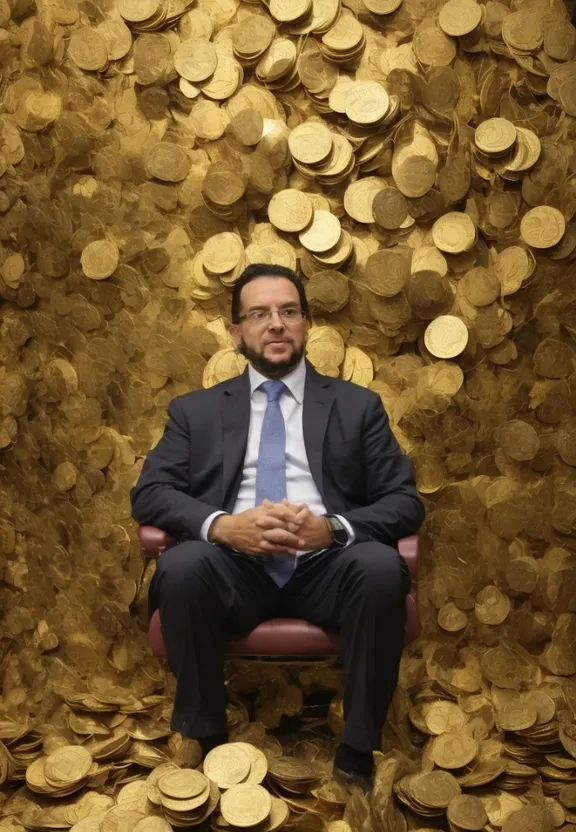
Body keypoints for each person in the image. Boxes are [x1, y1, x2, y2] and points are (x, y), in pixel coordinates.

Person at [130, 263, 424, 789]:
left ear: (307, 323)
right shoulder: (193, 413)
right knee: (182, 565)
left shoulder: (358, 408)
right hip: (233, 568)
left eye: (289, 311)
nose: (276, 324)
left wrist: (331, 529)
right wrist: (223, 526)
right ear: (235, 331)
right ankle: (210, 743)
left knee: (380, 567)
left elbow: (403, 503)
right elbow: (149, 493)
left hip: (328, 567)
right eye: (259, 314)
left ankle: (357, 750)